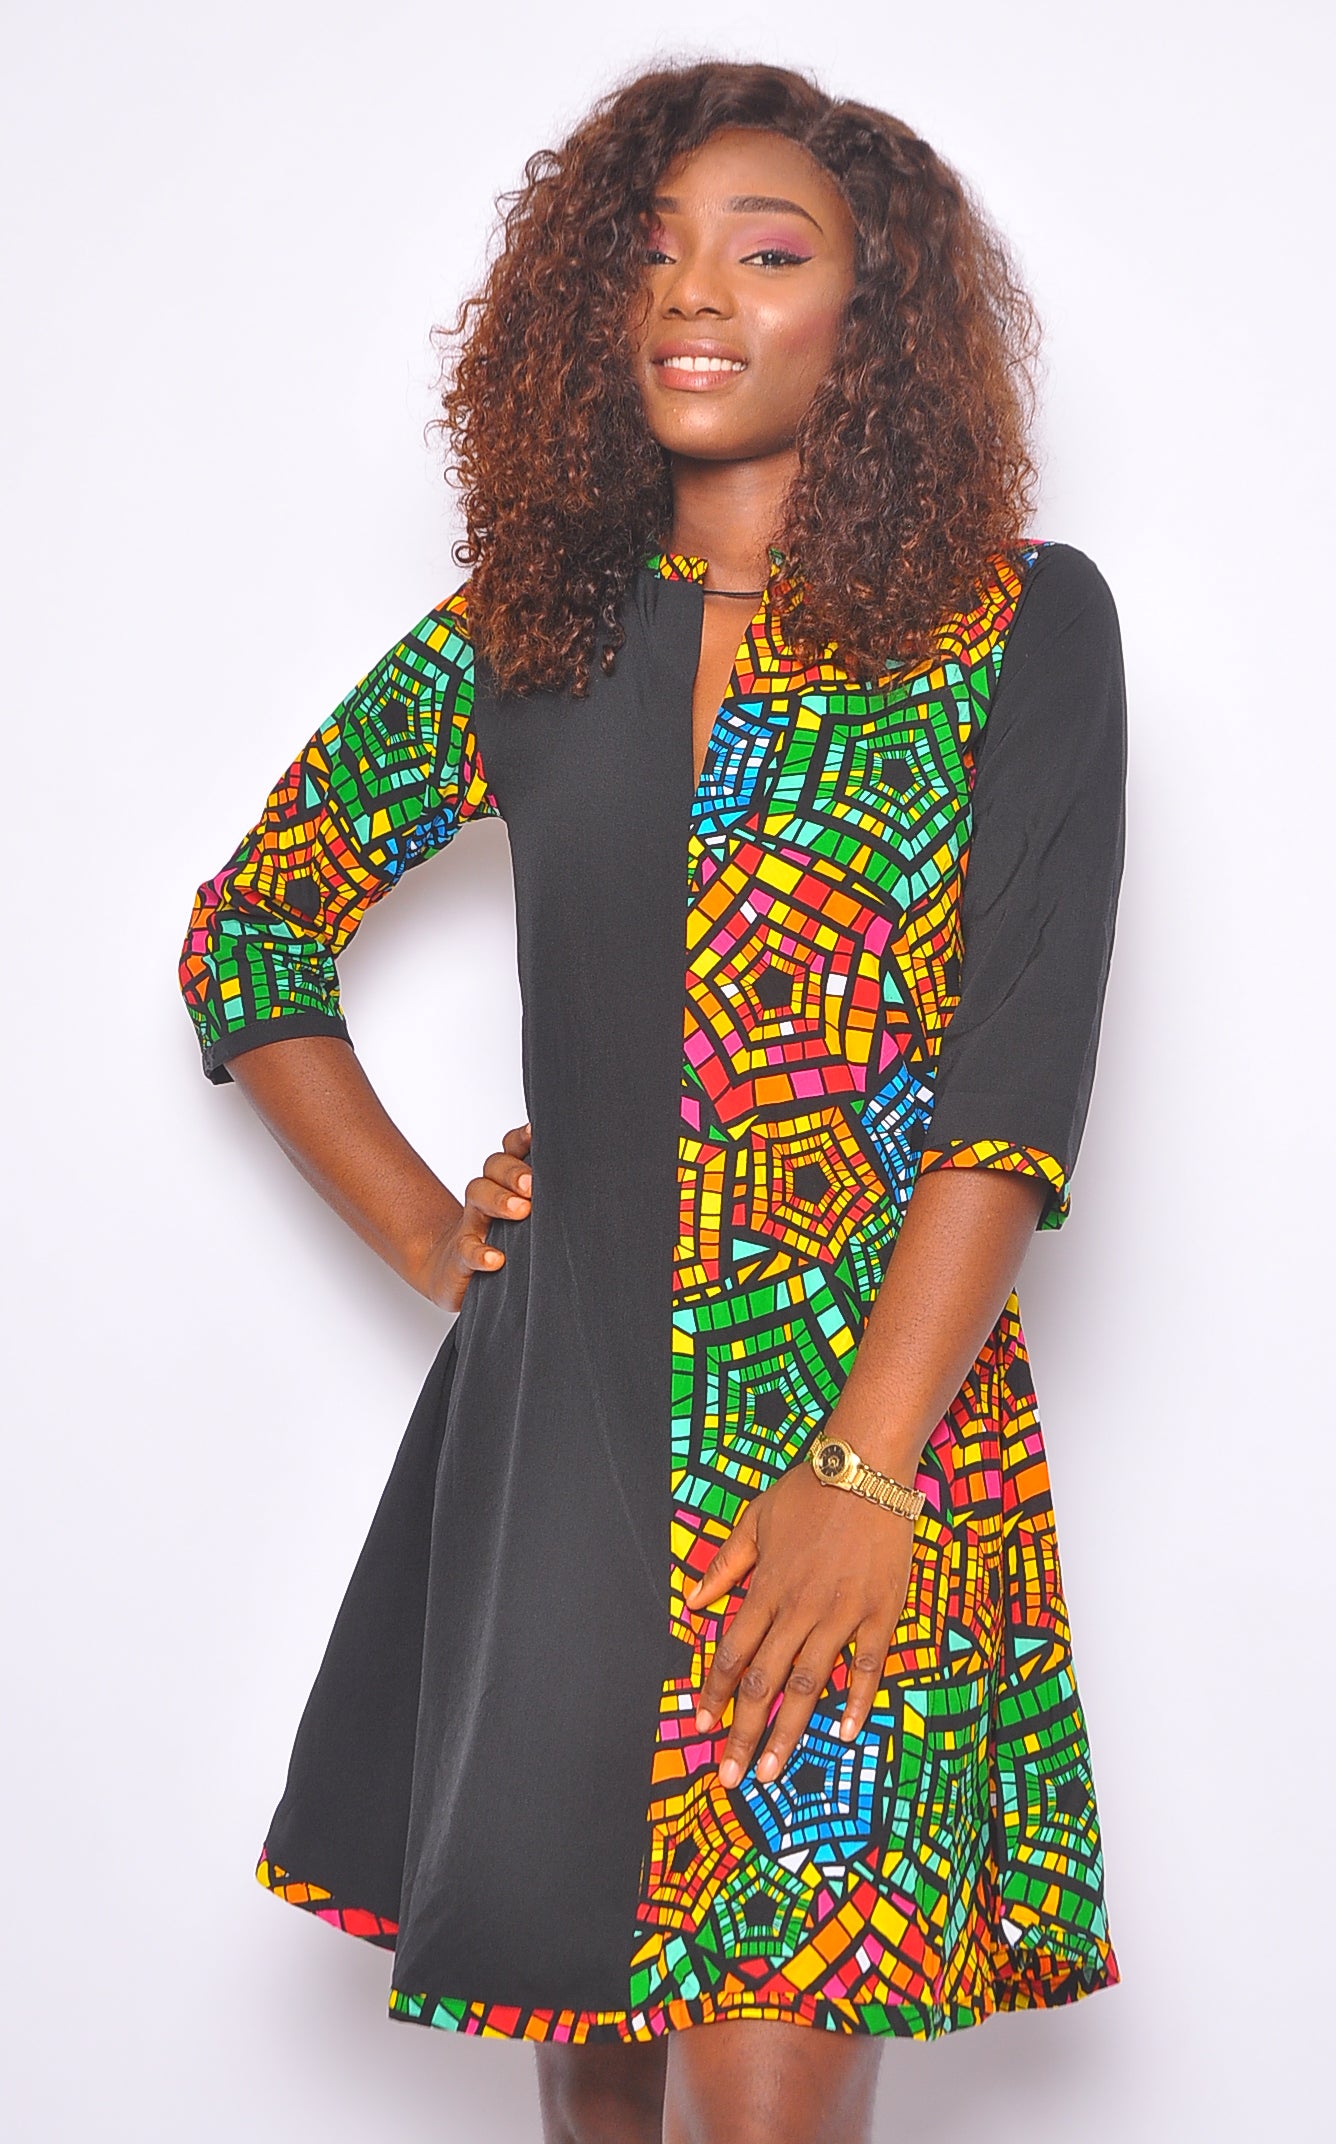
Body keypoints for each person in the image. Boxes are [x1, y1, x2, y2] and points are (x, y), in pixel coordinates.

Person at [179, 58, 1126, 2144]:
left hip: (865, 1413)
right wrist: (431, 1230)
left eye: (767, 252)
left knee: (773, 2082)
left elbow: (1013, 1083)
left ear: (869, 317)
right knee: (599, 2080)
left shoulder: (1014, 626)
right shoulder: (522, 640)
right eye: (653, 249)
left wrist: (862, 1474)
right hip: (573, 1412)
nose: (697, 290)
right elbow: (254, 934)